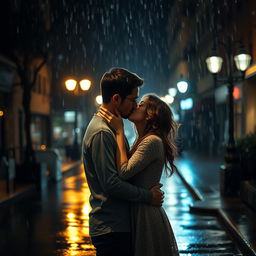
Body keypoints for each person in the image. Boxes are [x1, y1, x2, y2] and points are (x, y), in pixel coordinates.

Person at [82, 68, 164, 256]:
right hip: (112, 228)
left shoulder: (112, 128)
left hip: (117, 226)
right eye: (132, 99)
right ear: (117, 99)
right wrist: (147, 196)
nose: (135, 105)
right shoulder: (103, 132)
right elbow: (111, 183)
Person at [98, 94, 180, 256]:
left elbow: (124, 172)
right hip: (140, 210)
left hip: (146, 216)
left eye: (141, 104)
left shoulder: (152, 142)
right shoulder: (142, 140)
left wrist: (120, 131)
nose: (135, 106)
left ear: (150, 115)